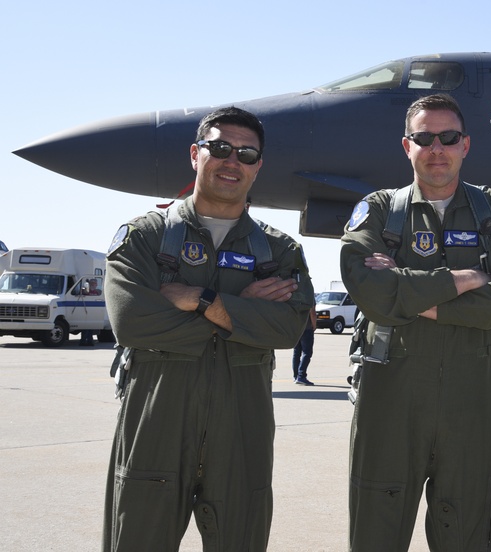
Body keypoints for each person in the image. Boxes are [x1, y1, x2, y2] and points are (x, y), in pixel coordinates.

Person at [101, 106, 314, 551]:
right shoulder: (145, 236)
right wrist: (242, 314)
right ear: (195, 154)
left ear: (258, 166)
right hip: (156, 422)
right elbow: (133, 322)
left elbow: (286, 330)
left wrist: (200, 300)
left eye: (246, 153)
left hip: (243, 431)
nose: (231, 160)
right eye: (219, 148)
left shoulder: (280, 250)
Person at [340, 93, 491, 552]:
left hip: (475, 398)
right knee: (376, 531)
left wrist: (410, 294)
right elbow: (368, 290)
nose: (436, 148)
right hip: (390, 396)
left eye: (448, 137)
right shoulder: (378, 210)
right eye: (424, 138)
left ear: (465, 145)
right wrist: (466, 279)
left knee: (469, 532)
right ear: (406, 146)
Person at [293, 308, 318, 385]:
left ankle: (296, 376)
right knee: (307, 353)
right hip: (306, 328)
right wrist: (314, 325)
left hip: (296, 328)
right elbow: (312, 313)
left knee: (296, 353)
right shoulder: (308, 296)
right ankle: (301, 376)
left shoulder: (294, 296)